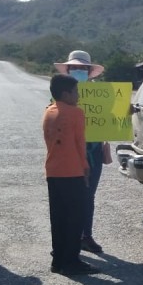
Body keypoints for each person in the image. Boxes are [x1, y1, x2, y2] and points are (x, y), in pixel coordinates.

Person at [43, 75, 98, 275]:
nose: (78, 96)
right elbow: (79, 143)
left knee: (58, 217)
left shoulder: (49, 111)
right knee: (75, 217)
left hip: (53, 171)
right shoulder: (75, 113)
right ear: (66, 94)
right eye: (76, 92)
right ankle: (72, 261)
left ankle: (58, 260)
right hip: (72, 171)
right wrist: (85, 168)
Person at [54, 50, 107, 254]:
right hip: (69, 153)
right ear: (67, 70)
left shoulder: (102, 95)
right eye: (74, 68)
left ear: (89, 71)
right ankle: (70, 238)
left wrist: (124, 111)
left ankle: (86, 235)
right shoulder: (60, 95)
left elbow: (110, 119)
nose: (78, 71)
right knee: (70, 196)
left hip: (93, 154)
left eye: (82, 68)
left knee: (88, 196)